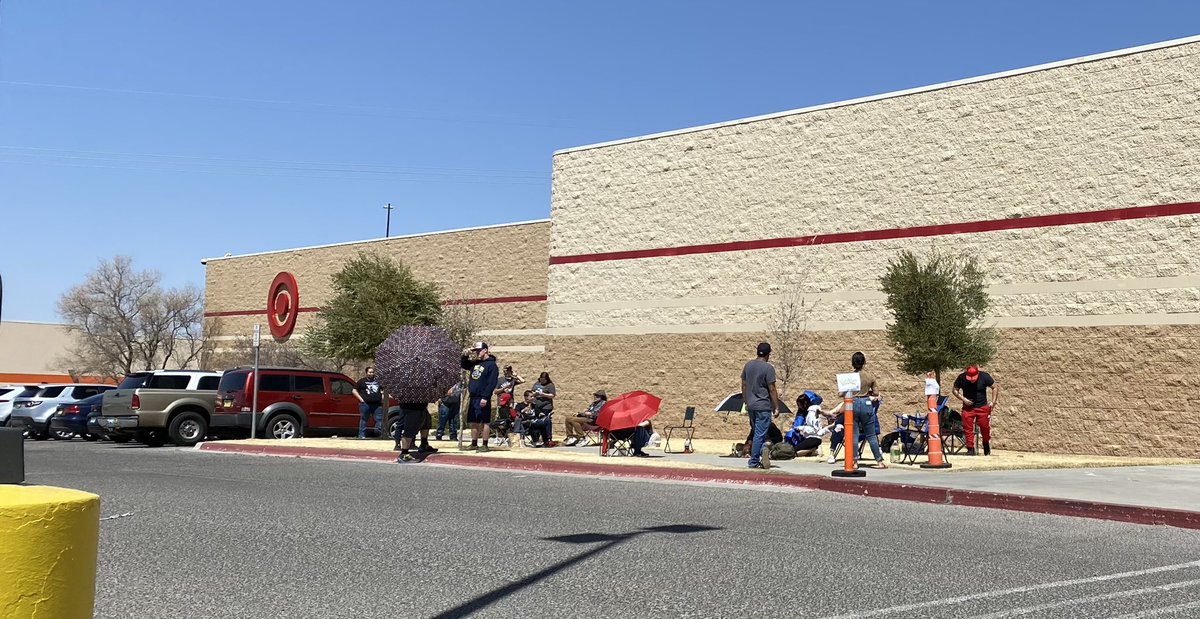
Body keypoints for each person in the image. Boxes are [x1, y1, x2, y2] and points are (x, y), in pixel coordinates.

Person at [843, 351, 887, 469]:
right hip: (866, 402)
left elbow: (842, 392)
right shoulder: (869, 376)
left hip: (853, 403)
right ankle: (879, 461)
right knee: (871, 434)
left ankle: (855, 461)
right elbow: (876, 393)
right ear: (864, 362)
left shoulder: (849, 377)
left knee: (854, 434)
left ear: (853, 363)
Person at [741, 342, 780, 470]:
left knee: (757, 433)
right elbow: (772, 388)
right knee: (759, 434)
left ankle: (762, 451)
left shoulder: (748, 366)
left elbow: (744, 385)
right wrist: (776, 406)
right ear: (769, 354)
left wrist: (746, 401)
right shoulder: (768, 368)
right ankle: (753, 461)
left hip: (751, 405)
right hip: (763, 405)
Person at [460, 342, 499, 452]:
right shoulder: (475, 363)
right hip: (473, 397)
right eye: (476, 351)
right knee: (473, 421)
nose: (477, 353)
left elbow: (491, 383)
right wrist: (465, 355)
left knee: (485, 421)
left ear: (485, 350)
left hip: (483, 397)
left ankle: (485, 444)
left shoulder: (492, 365)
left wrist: (485, 397)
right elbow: (463, 364)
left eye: (479, 350)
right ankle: (474, 443)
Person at [953, 365, 999, 456]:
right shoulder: (961, 377)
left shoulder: (984, 376)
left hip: (982, 407)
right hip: (968, 408)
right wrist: (963, 399)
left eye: (973, 378)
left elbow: (995, 387)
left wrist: (993, 402)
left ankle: (986, 445)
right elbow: (955, 390)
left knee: (984, 427)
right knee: (967, 428)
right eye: (970, 378)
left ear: (978, 374)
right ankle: (970, 449)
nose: (971, 380)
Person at [353, 367, 384, 439]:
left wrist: (381, 398)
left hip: (377, 404)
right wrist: (361, 400)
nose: (371, 374)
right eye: (370, 372)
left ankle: (382, 435)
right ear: (366, 373)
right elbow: (354, 391)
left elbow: (382, 390)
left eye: (373, 372)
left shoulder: (378, 381)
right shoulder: (362, 381)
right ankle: (361, 435)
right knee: (364, 419)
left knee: (379, 420)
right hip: (365, 404)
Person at [526, 372, 556, 446]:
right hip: (536, 405)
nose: (542, 381)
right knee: (537, 421)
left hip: (546, 406)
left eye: (544, 380)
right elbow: (532, 391)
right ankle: (536, 438)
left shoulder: (550, 385)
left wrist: (543, 394)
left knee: (544, 421)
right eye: (541, 379)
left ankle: (546, 439)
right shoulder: (537, 383)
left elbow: (552, 395)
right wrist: (535, 394)